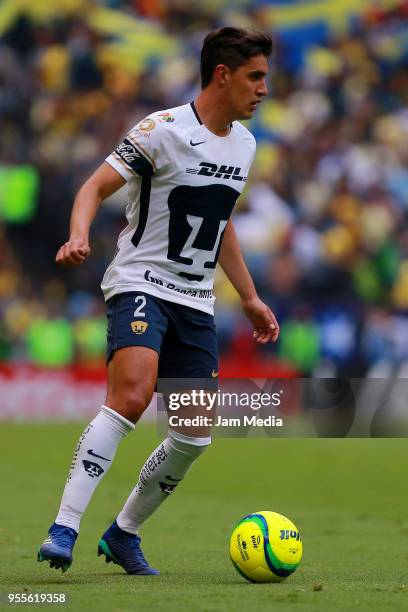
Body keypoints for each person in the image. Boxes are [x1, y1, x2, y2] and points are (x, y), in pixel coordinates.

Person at [37, 26, 279, 575]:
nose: (264, 88)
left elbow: (221, 224)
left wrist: (250, 297)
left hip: (196, 299)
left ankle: (123, 534)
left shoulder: (244, 144)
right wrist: (78, 236)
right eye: (255, 76)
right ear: (223, 75)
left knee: (193, 434)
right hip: (142, 281)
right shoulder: (161, 130)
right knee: (130, 396)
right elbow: (91, 188)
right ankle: (65, 525)